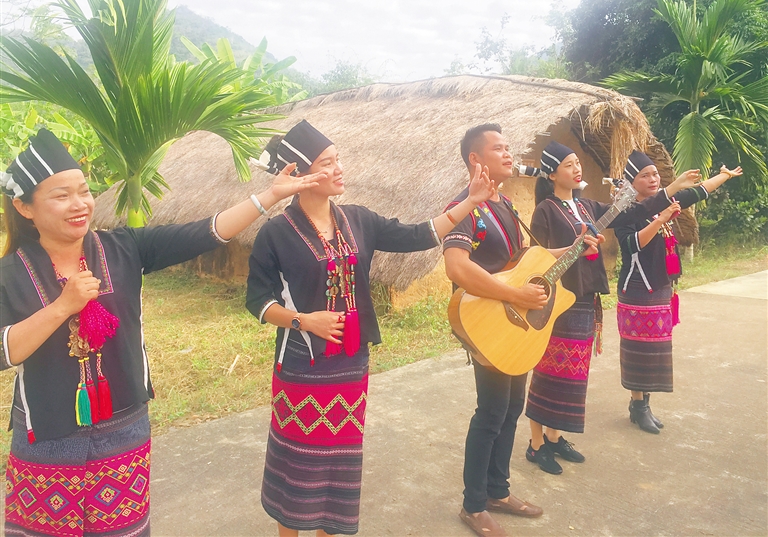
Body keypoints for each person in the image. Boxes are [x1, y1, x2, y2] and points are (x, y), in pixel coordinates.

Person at [0, 128, 323, 537]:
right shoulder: (10, 274)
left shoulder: (124, 248)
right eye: (61, 196)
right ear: (24, 207)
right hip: (47, 438)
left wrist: (269, 196)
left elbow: (206, 231)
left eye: (83, 191)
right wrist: (63, 307)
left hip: (124, 431)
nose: (79, 204)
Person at [245, 119, 495, 537]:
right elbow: (258, 300)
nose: (339, 168)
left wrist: (469, 201)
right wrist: (304, 320)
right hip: (302, 366)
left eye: (338, 158)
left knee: (338, 462)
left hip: (350, 362)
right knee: (299, 463)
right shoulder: (276, 233)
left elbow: (418, 235)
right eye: (327, 162)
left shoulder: (358, 220)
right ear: (302, 174)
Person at [442, 125, 603, 537]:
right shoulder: (465, 206)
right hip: (488, 322)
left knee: (512, 408)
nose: (508, 153)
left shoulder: (508, 205)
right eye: (498, 148)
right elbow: (457, 267)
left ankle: (498, 491)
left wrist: (575, 246)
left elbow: (526, 261)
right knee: (491, 412)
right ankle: (473, 505)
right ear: (475, 159)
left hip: (514, 324)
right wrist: (514, 295)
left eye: (508, 147)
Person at [521, 141, 702, 475]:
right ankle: (536, 445)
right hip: (559, 301)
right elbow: (536, 257)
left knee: (572, 374)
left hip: (586, 298)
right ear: (552, 174)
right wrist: (574, 247)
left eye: (577, 162)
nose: (577, 169)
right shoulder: (545, 210)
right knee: (549, 373)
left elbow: (633, 213)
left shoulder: (586, 206)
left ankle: (554, 437)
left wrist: (672, 187)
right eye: (568, 165)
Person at [615, 150, 742, 434]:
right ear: (632, 182)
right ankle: (638, 406)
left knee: (655, 350)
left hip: (661, 285)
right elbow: (632, 244)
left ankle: (644, 404)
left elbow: (699, 191)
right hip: (638, 288)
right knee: (638, 351)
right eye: (644, 175)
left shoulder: (665, 201)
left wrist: (724, 175)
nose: (652, 179)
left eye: (655, 174)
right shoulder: (625, 211)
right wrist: (660, 219)